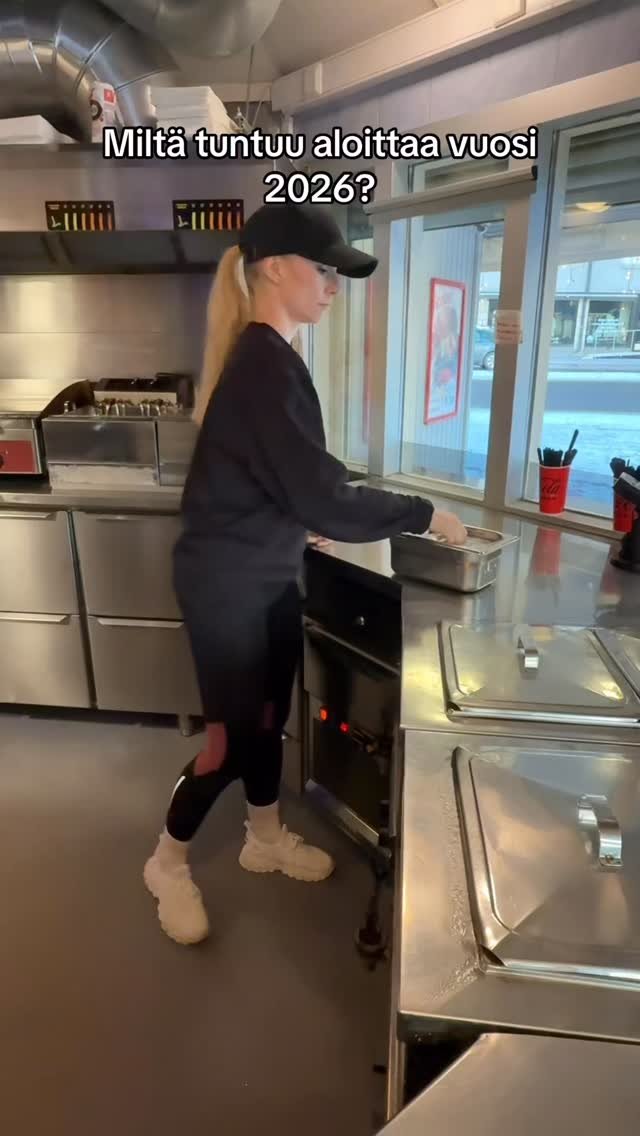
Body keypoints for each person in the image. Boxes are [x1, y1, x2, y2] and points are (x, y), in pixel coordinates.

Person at [143, 202, 467, 945]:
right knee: (227, 743)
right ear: (274, 269)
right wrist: (423, 513)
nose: (333, 286)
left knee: (267, 720)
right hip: (226, 587)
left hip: (266, 572)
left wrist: (307, 511)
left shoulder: (273, 359)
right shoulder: (263, 364)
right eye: (323, 269)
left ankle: (262, 838)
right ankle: (166, 862)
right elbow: (321, 495)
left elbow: (292, 478)